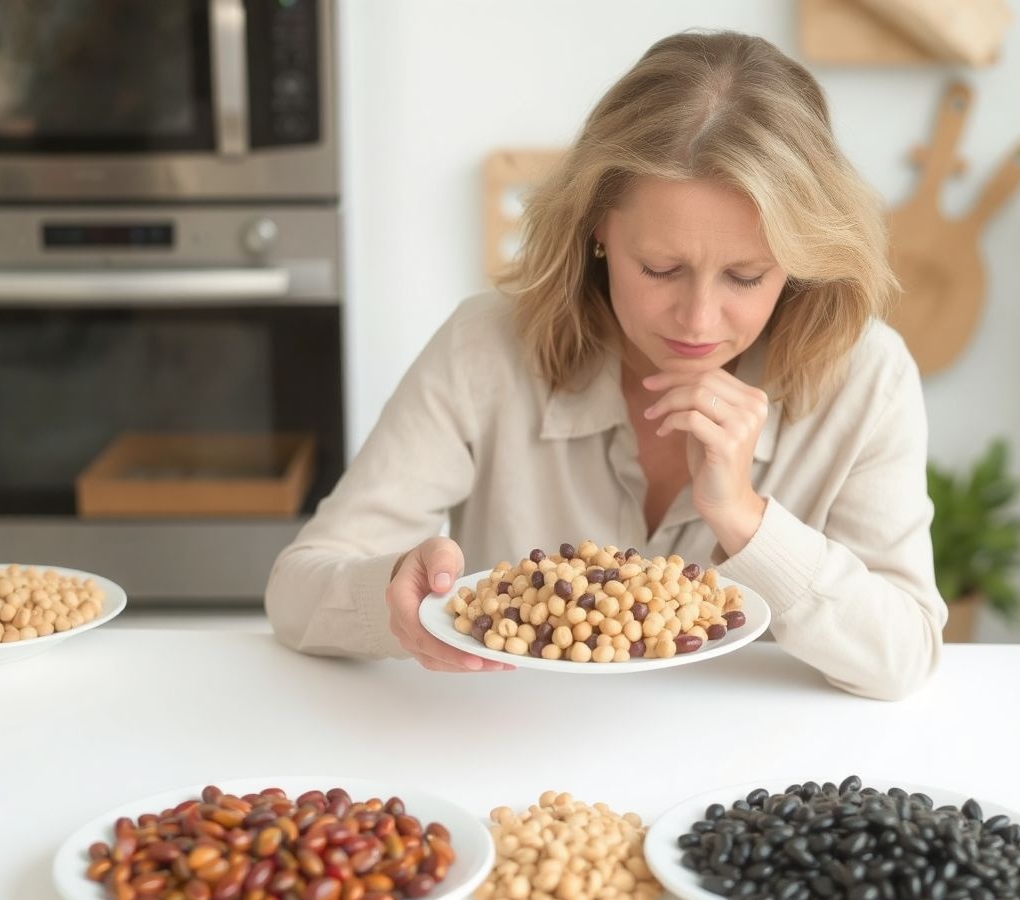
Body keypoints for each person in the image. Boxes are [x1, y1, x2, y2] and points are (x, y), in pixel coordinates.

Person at [265, 30, 947, 700]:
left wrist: (744, 516)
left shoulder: (866, 376)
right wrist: (395, 595)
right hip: (511, 761)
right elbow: (296, 589)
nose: (698, 320)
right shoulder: (486, 347)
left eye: (745, 276)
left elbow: (904, 656)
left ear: (803, 259)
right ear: (596, 228)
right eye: (660, 268)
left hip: (752, 785)